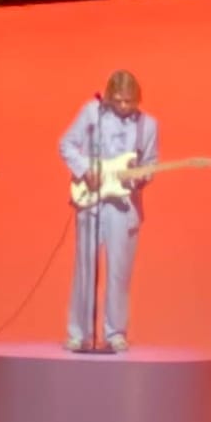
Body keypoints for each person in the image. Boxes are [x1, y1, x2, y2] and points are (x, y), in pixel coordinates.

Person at [57, 69, 158, 355]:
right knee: (85, 268)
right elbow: (66, 144)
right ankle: (79, 333)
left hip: (124, 205)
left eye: (130, 102)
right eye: (119, 101)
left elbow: (150, 163)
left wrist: (140, 178)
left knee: (119, 272)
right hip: (91, 201)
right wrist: (84, 170)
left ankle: (115, 332)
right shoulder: (92, 113)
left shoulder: (148, 125)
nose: (125, 107)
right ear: (109, 96)